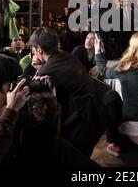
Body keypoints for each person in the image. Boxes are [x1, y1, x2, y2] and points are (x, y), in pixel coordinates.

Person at [29, 27, 112, 157]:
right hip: (92, 120)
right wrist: (42, 68)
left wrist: (40, 71)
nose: (33, 54)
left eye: (33, 51)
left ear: (39, 50)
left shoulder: (47, 72)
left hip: (77, 130)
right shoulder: (68, 56)